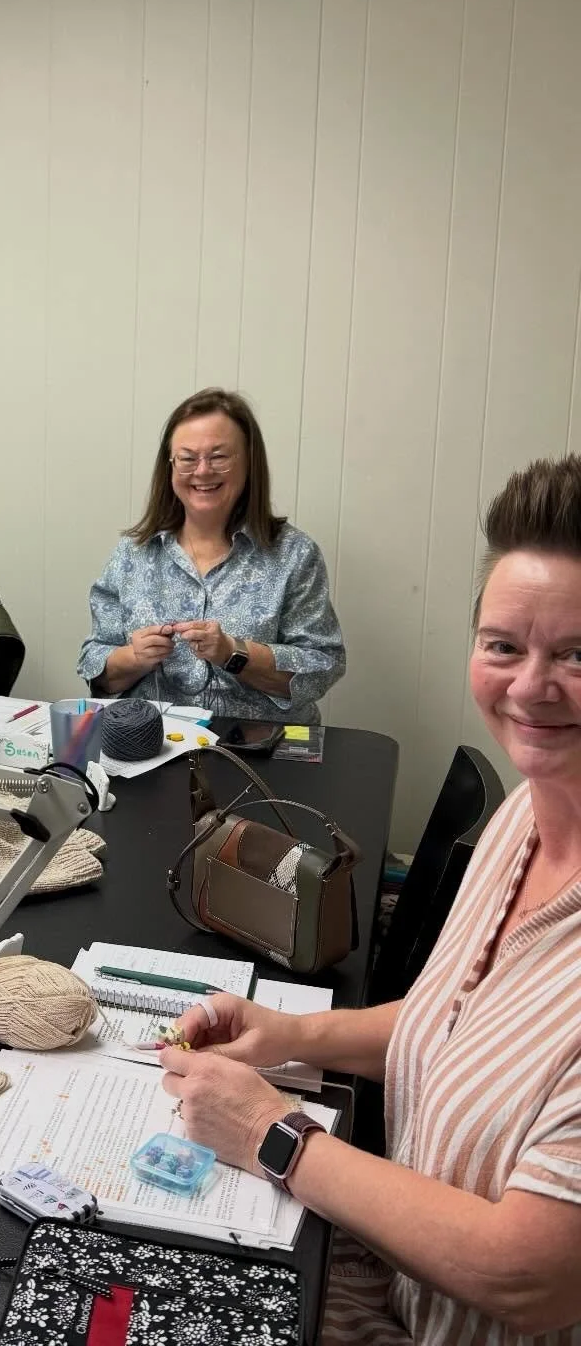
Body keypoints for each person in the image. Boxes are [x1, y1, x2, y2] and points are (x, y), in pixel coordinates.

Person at [160, 454, 581, 1345]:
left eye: (577, 654)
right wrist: (290, 1037)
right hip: (381, 1280)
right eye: (504, 646)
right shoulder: (521, 821)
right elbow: (456, 1023)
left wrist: (277, 1137)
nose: (532, 686)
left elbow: (529, 1273)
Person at [77, 389, 344, 723]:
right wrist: (134, 658)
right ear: (170, 467)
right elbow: (94, 663)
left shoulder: (294, 555)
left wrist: (235, 654)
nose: (202, 471)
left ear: (249, 462)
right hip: (151, 748)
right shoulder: (134, 554)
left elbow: (322, 666)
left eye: (219, 457)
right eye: (187, 458)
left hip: (262, 756)